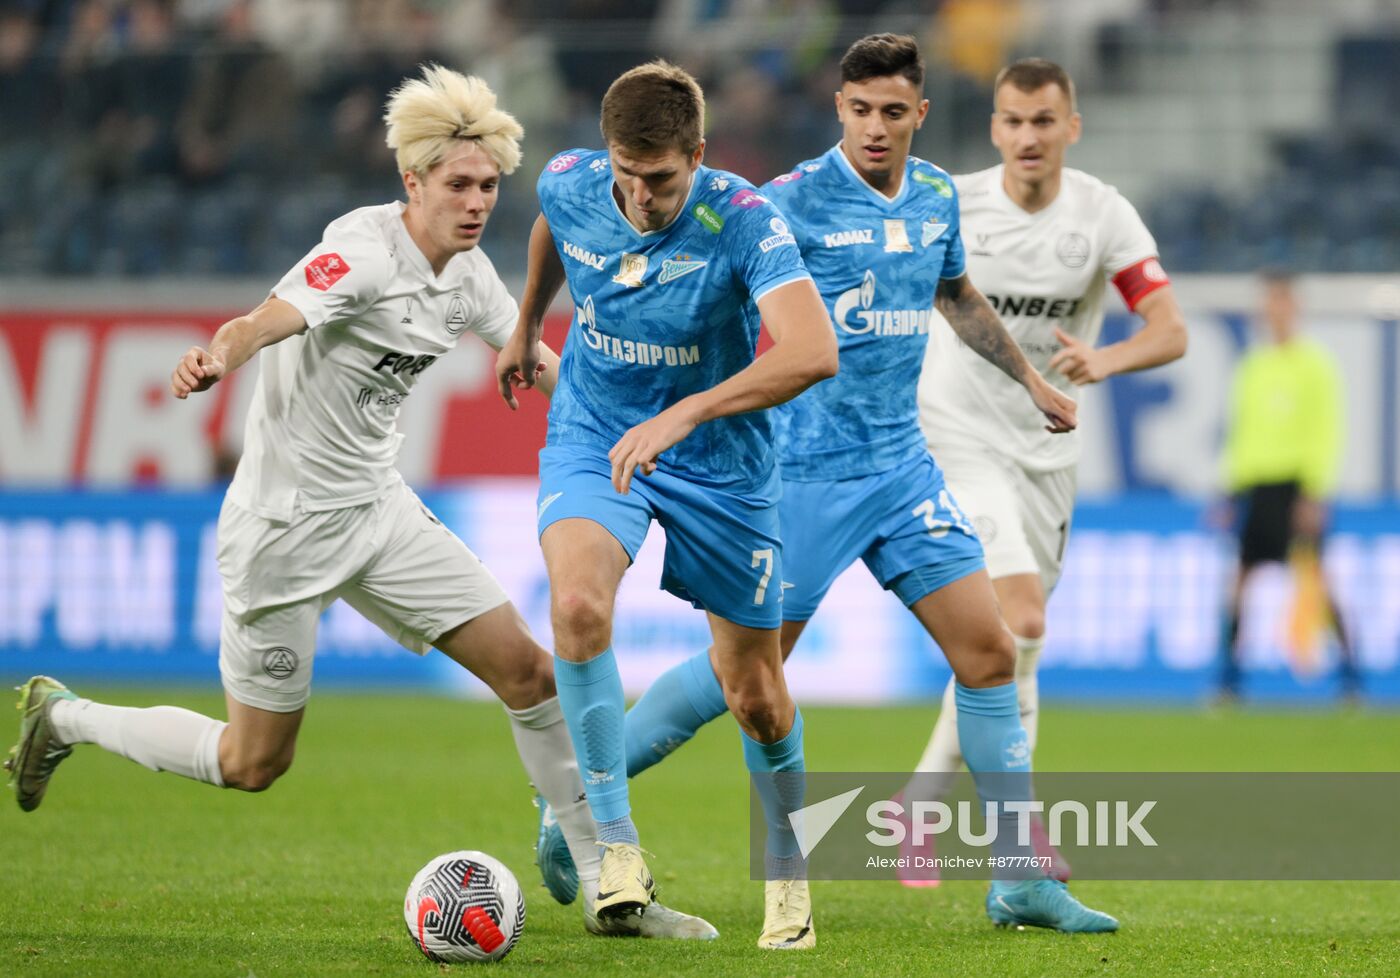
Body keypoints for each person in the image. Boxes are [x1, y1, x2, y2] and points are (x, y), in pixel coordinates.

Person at [3, 64, 712, 942]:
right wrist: (218, 356)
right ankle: (65, 717)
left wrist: (606, 432)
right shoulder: (362, 253)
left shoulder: (470, 278)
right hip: (282, 531)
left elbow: (534, 360)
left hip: (379, 515)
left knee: (531, 674)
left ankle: (616, 891)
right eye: (457, 184)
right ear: (412, 183)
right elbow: (264, 318)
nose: (477, 201)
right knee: (253, 761)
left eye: (489, 185)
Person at [606, 35, 1116, 933]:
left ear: (919, 115)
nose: (876, 127)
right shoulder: (788, 203)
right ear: (839, 109)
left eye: (893, 112)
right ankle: (580, 796)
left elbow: (953, 295)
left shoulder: (932, 199)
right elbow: (709, 291)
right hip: (800, 477)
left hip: (901, 469)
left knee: (990, 654)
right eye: (859, 110)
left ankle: (1020, 879)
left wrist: (1032, 382)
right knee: (746, 677)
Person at [494, 61, 838, 949]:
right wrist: (528, 323)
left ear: (699, 155)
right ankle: (617, 850)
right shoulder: (573, 182)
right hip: (597, 433)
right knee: (574, 606)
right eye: (626, 174)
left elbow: (811, 351)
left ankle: (790, 879)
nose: (640, 196)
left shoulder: (742, 219)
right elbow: (551, 230)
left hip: (721, 461)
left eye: (661, 178)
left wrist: (686, 410)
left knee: (754, 691)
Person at [910, 58, 1188, 873]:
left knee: (1004, 646)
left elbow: (1169, 329)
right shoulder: (953, 204)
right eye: (1012, 121)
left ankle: (917, 807)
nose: (1027, 137)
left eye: (1043, 121)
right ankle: (1017, 841)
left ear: (1072, 126)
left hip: (1049, 447)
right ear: (994, 128)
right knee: (1022, 622)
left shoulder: (1104, 216)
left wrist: (1109, 360)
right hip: (955, 430)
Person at [1218, 269, 1358, 701]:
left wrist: (1315, 491)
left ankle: (1352, 679)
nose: (1273, 310)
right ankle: (1229, 682)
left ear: (1294, 307)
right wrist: (1229, 490)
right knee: (1239, 581)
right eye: (1268, 302)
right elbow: (1240, 431)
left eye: (1281, 301)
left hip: (1296, 487)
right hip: (1256, 487)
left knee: (1316, 580)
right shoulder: (1253, 365)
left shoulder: (1315, 365)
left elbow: (1325, 430)